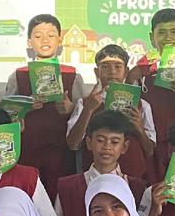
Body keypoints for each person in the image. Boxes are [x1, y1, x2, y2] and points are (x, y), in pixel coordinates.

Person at [5, 14, 83, 200]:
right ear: (29, 42)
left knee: (60, 200)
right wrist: (25, 107)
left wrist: (70, 108)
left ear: (60, 40)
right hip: (28, 150)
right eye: (38, 36)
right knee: (28, 196)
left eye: (51, 35)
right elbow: (6, 114)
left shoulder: (72, 75)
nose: (45, 40)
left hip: (62, 151)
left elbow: (83, 114)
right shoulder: (18, 75)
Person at [55, 110, 148, 216]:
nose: (107, 147)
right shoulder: (67, 187)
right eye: (100, 140)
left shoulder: (137, 188)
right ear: (89, 142)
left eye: (114, 142)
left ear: (124, 147)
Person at [130, 8, 175, 181]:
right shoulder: (140, 72)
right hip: (148, 147)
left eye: (174, 32)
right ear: (152, 38)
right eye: (161, 32)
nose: (168, 37)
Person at [66, 44, 156, 181]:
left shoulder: (142, 105)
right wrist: (88, 111)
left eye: (118, 66)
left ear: (126, 72)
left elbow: (150, 151)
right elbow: (73, 144)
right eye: (105, 67)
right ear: (97, 72)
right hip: (94, 180)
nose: (112, 72)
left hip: (132, 178)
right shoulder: (85, 103)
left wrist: (139, 129)